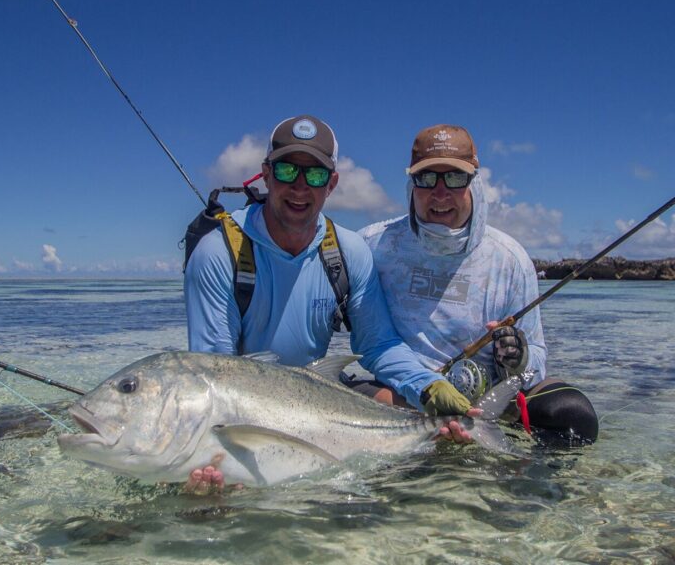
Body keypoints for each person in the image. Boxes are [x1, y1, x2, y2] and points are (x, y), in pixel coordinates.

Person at [183, 115, 479, 493]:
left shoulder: (347, 251)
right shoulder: (218, 252)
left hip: (318, 394)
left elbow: (378, 345)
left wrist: (428, 385)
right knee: (209, 497)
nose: (300, 187)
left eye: (316, 175)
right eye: (288, 170)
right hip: (246, 410)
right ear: (266, 175)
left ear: (333, 183)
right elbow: (216, 371)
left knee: (407, 414)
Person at [354, 124, 598, 446]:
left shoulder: (511, 259)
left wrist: (519, 359)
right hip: (402, 395)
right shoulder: (371, 245)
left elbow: (537, 361)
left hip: (488, 401)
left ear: (475, 183)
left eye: (455, 178)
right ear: (411, 184)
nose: (440, 194)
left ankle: (527, 488)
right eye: (427, 179)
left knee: (572, 412)